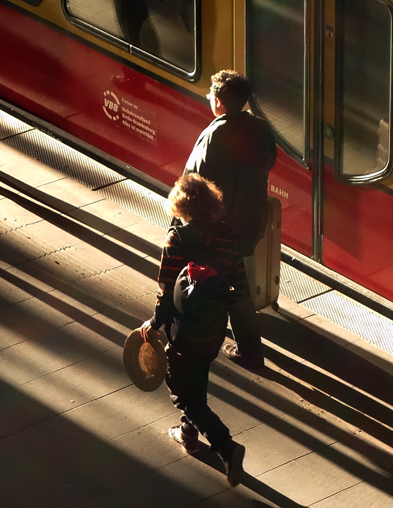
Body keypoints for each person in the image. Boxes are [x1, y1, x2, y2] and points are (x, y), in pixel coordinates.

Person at [140, 173, 247, 484]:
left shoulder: (177, 239)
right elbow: (238, 286)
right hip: (214, 328)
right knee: (196, 378)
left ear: (181, 207)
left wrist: (154, 323)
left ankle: (226, 446)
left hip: (184, 331)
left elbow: (166, 289)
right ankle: (187, 434)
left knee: (180, 389)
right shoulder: (229, 235)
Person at [183, 70, 276, 368]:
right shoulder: (261, 129)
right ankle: (248, 346)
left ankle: (247, 349)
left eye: (212, 96)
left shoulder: (213, 135)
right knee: (237, 279)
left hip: (221, 225)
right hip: (250, 222)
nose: (210, 100)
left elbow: (194, 181)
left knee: (230, 285)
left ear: (219, 103)